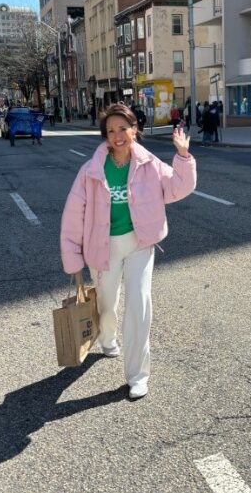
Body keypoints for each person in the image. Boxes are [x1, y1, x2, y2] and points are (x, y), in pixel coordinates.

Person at [60, 103, 196, 400]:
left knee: (139, 302)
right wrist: (72, 258)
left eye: (123, 129)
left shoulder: (149, 164)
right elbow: (73, 215)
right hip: (104, 246)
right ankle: (108, 337)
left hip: (140, 243)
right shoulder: (92, 170)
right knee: (107, 304)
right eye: (111, 131)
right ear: (105, 136)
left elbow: (178, 187)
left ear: (135, 130)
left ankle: (138, 375)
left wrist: (183, 155)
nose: (117, 136)